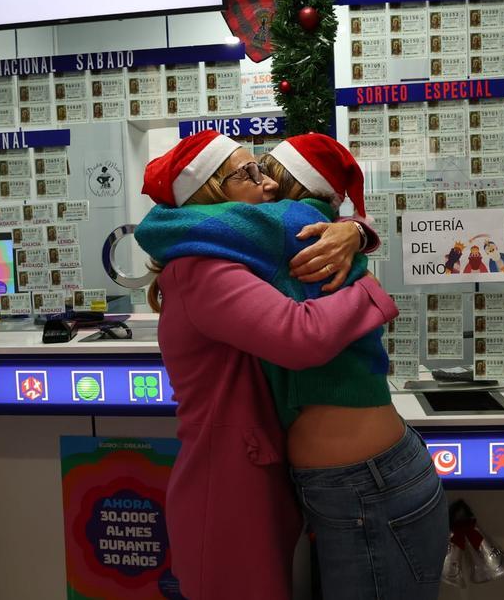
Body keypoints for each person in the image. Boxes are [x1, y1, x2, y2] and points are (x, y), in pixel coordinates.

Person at [135, 131, 396, 599]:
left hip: (252, 474)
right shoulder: (202, 270)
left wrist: (354, 232)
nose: (270, 184)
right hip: (227, 490)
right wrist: (371, 292)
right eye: (249, 173)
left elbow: (305, 225)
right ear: (209, 193)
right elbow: (301, 337)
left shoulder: (225, 255)